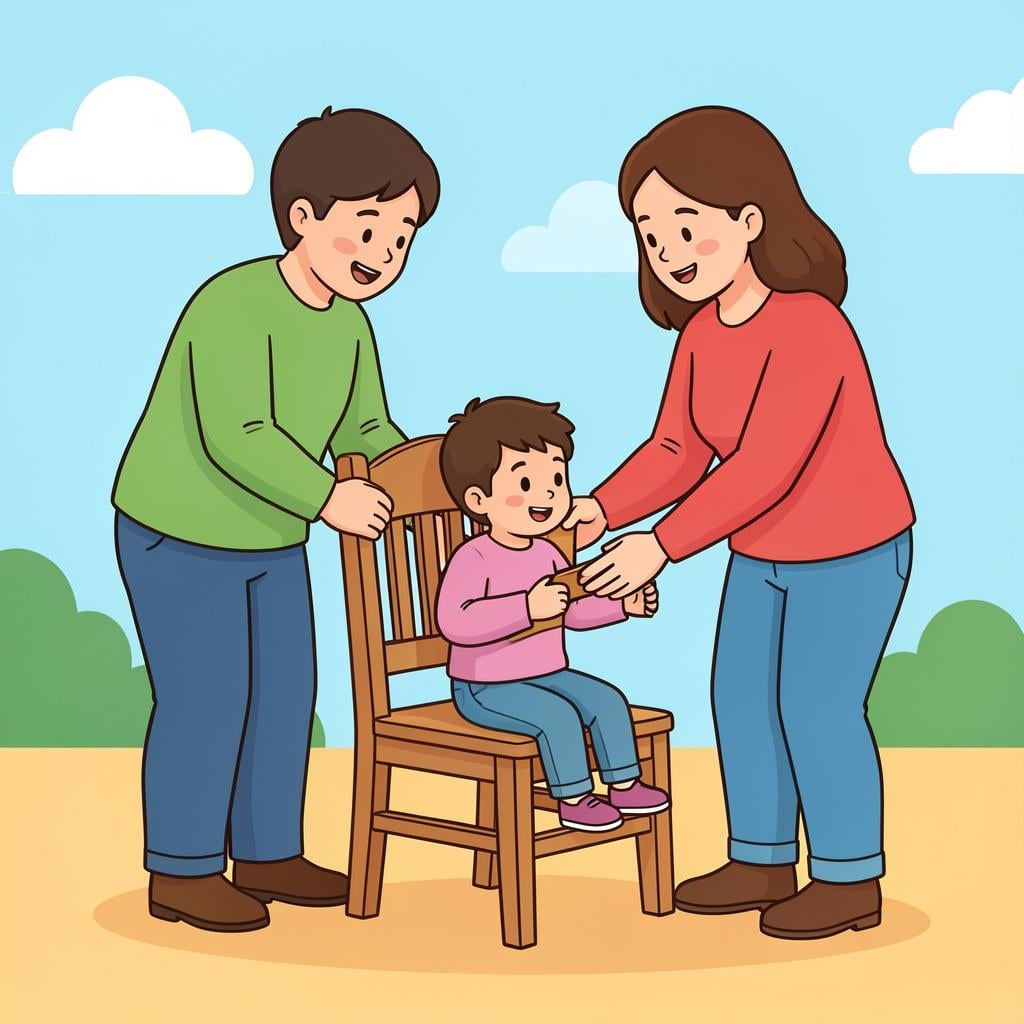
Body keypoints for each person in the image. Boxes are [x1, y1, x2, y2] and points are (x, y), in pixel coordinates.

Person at [567, 107, 915, 939]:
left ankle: (846, 877)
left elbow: (767, 465)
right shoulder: (698, 334)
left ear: (749, 219)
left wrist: (658, 545)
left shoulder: (810, 326)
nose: (670, 252)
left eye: (686, 226)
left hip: (853, 550)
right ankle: (760, 856)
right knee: (741, 698)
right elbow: (677, 447)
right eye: (651, 236)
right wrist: (603, 510)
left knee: (816, 705)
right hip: (760, 553)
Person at [112, 107, 439, 932]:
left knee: (287, 692)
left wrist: (430, 470)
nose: (383, 255)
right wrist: (330, 498)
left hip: (272, 536)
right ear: (303, 217)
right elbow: (238, 433)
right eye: (368, 228)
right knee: (208, 696)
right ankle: (183, 869)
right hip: (180, 530)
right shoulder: (234, 302)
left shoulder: (351, 326)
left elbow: (366, 430)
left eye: (401, 239)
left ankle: (266, 852)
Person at [436, 397, 669, 832]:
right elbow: (455, 622)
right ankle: (575, 797)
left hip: (548, 673)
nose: (547, 493)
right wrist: (525, 608)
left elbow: (574, 613)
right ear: (478, 499)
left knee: (606, 700)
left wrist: (622, 607)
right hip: (484, 686)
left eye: (557, 479)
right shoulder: (475, 557)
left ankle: (623, 784)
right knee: (557, 717)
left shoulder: (547, 552)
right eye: (525, 483)